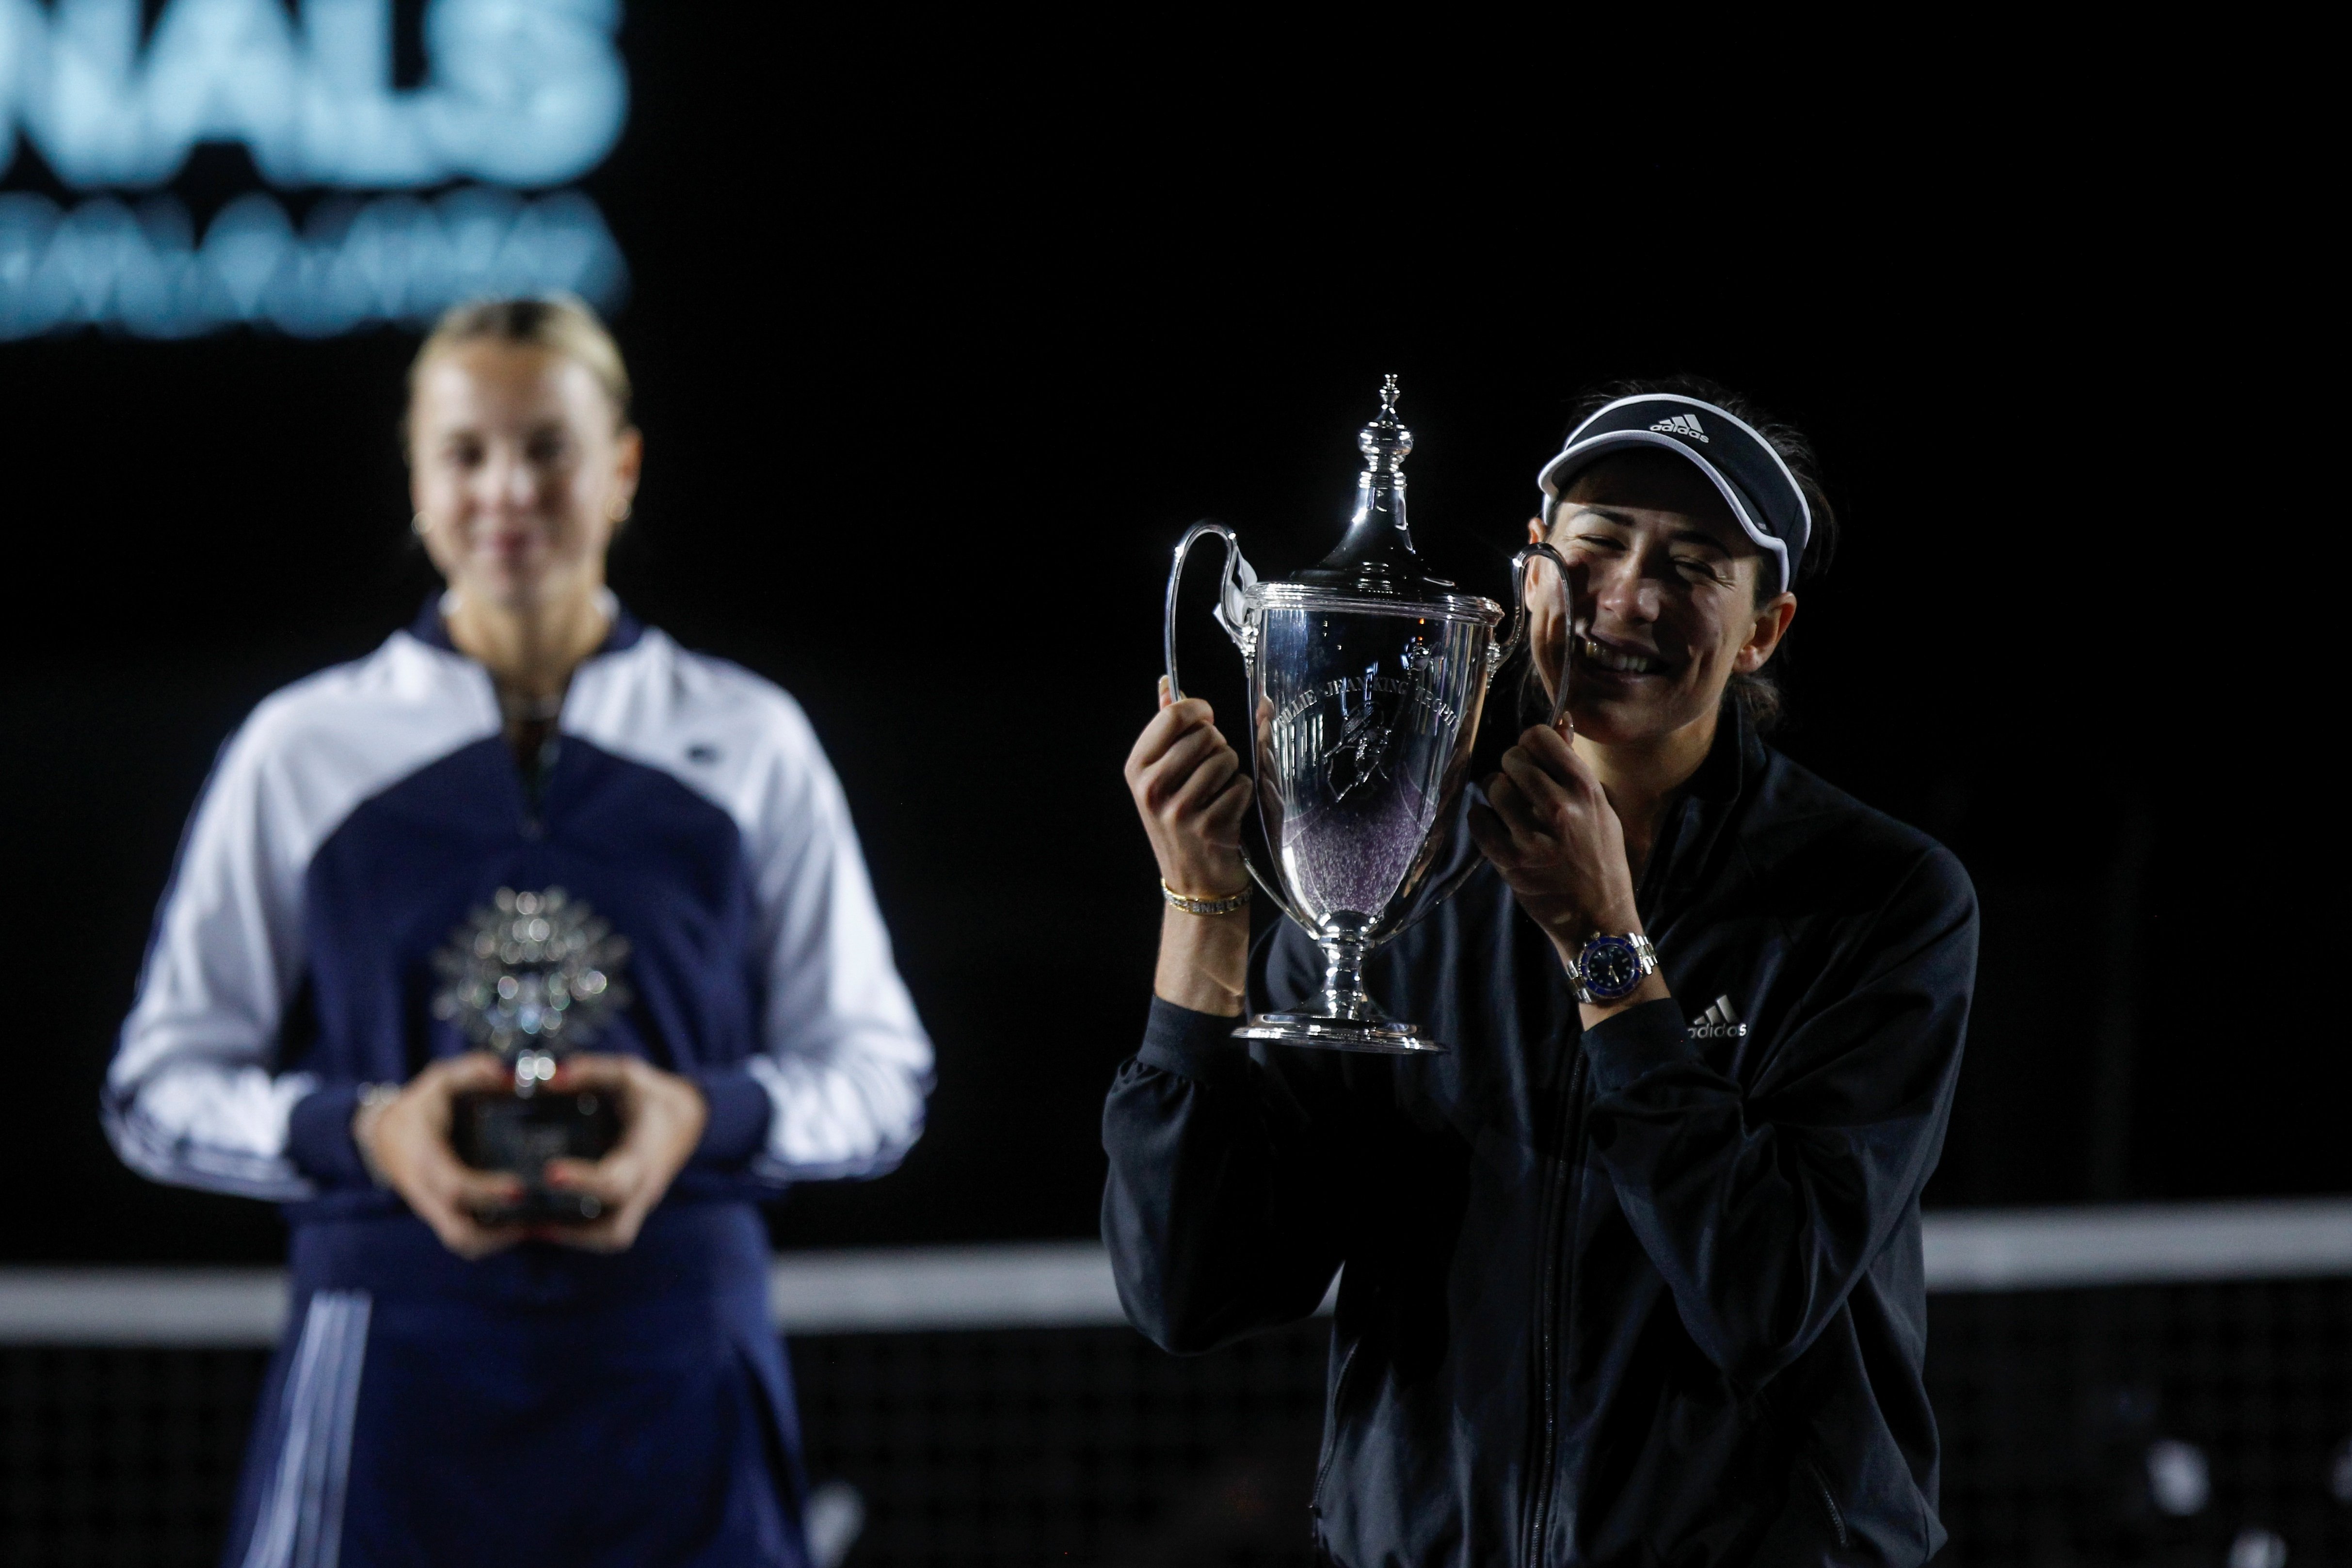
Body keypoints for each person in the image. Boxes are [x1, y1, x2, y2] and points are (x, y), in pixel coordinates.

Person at [103, 296, 932, 1568]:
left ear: (622, 467)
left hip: (676, 1370)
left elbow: (881, 1078)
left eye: (548, 447)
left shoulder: (750, 739)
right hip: (389, 1368)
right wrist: (368, 1132)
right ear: (416, 478)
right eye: (465, 452)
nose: (507, 489)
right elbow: (156, 1088)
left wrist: (698, 1117)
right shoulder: (302, 749)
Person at [1105, 378, 1977, 1565]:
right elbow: (1190, 1290)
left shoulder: (1879, 899)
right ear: (1529, 579)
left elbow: (1763, 1295)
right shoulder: (1401, 869)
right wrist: (1203, 909)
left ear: (1760, 631)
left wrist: (1605, 952)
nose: (1629, 598)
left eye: (1691, 566)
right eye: (1597, 546)